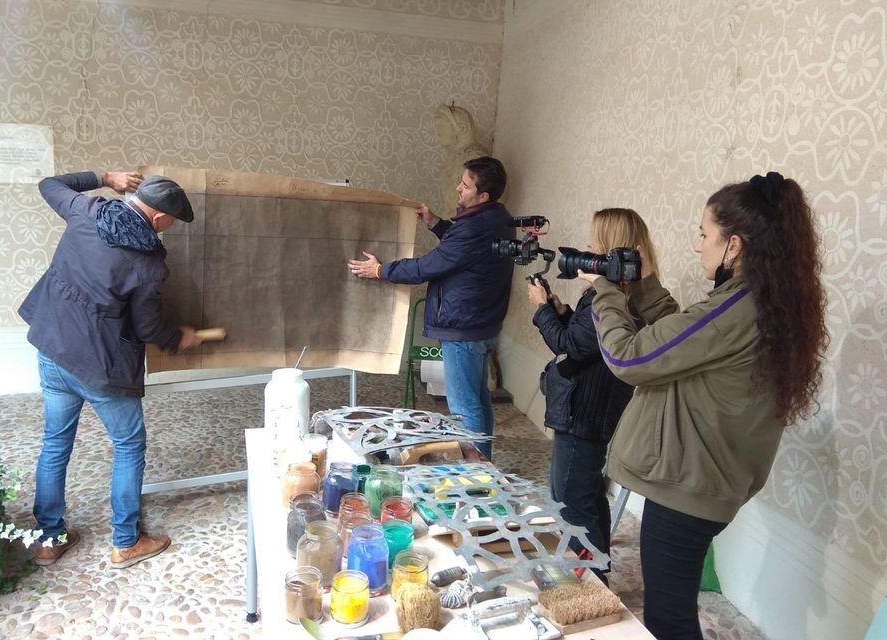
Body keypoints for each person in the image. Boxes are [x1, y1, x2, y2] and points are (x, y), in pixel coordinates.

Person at [581, 172, 827, 640]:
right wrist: (647, 285)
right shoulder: (764, 301)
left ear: (733, 245)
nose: (698, 246)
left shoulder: (738, 305)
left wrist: (605, 289)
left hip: (689, 490)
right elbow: (686, 340)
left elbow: (629, 357)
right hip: (704, 482)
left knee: (668, 619)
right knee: (672, 609)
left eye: (703, 233)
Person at [19, 171, 204, 570]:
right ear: (157, 219)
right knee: (129, 445)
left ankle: (49, 539)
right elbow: (147, 327)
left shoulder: (87, 209)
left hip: (52, 347)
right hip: (98, 367)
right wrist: (179, 338)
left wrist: (104, 177)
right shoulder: (148, 265)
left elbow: (49, 185)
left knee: (55, 443)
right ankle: (126, 541)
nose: (170, 229)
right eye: (171, 222)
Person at [347, 156, 514, 458]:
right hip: (482, 324)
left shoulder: (474, 229)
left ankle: (474, 473)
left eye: (465, 186)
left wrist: (379, 271)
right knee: (479, 400)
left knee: (464, 408)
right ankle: (484, 462)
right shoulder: (498, 218)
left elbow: (428, 266)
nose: (458, 188)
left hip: (464, 328)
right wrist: (436, 223)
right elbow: (463, 249)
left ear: (483, 196)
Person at [527, 208, 658, 585]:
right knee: (588, 494)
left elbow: (570, 345)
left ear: (610, 245)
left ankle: (588, 582)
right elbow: (589, 340)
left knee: (570, 498)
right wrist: (563, 310)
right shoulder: (624, 294)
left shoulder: (609, 295)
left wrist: (539, 309)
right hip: (597, 409)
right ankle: (599, 570)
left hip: (584, 411)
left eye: (594, 238)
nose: (587, 245)